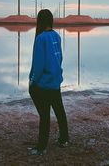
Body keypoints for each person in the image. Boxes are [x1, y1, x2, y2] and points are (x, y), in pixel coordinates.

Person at [28, 9, 69, 156]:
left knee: (44, 116)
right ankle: (64, 139)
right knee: (59, 111)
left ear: (40, 21)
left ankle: (41, 147)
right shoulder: (57, 36)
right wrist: (56, 74)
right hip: (55, 81)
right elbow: (60, 58)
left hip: (44, 84)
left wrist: (32, 80)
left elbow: (38, 64)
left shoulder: (40, 38)